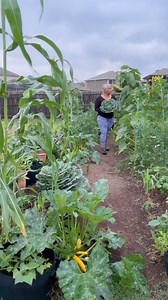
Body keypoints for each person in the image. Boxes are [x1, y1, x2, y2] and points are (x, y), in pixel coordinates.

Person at [95, 83, 115, 155]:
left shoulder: (113, 97)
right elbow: (96, 108)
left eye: (111, 88)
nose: (111, 89)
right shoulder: (99, 99)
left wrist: (112, 109)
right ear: (105, 90)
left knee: (107, 131)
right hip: (102, 117)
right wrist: (104, 110)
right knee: (104, 132)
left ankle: (105, 145)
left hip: (111, 117)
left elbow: (115, 105)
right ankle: (103, 147)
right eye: (109, 88)